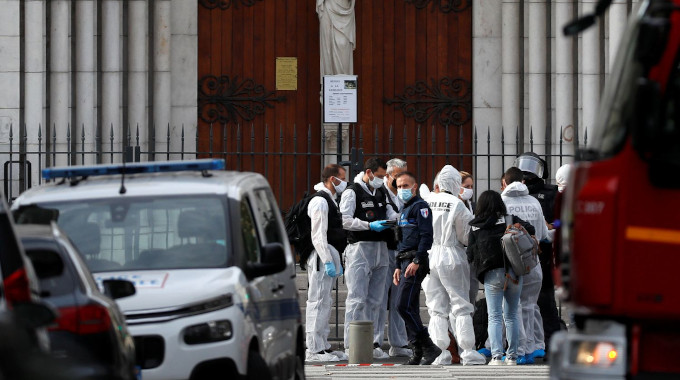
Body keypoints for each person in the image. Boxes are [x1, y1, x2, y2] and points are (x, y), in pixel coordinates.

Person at [422, 165, 486, 366]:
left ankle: (441, 352)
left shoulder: (427, 200)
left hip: (430, 255)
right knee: (460, 305)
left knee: (436, 307)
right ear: (456, 184)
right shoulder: (457, 204)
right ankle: (467, 351)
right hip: (451, 255)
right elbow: (466, 236)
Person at [468, 190, 536, 366]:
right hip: (513, 272)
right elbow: (531, 229)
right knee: (512, 315)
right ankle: (512, 356)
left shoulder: (475, 226)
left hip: (491, 274)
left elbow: (470, 254)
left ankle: (497, 356)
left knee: (495, 316)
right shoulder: (509, 220)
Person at [339, 157, 398, 358]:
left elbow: (392, 214)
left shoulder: (381, 191)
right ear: (369, 172)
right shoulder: (351, 192)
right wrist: (368, 225)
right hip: (360, 248)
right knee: (356, 298)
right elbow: (345, 220)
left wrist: (397, 220)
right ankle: (351, 344)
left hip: (380, 247)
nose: (382, 180)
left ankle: (373, 343)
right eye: (380, 176)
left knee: (376, 299)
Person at [513, 152, 561, 360]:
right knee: (517, 304)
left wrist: (553, 225)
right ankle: (522, 345)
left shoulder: (551, 193)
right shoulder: (513, 194)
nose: (526, 176)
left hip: (541, 252)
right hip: (516, 252)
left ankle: (551, 345)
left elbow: (565, 218)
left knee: (545, 302)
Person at [501, 166, 550, 364]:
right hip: (532, 261)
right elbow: (544, 235)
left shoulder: (502, 202)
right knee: (529, 306)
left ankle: (518, 349)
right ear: (523, 182)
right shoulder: (534, 202)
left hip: (510, 262)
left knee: (513, 308)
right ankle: (531, 347)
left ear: (504, 183)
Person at [392, 171, 441, 365]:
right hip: (404, 261)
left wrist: (418, 261)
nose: (402, 189)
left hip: (415, 262)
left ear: (414, 186)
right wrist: (397, 265)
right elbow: (401, 240)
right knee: (409, 307)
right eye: (399, 186)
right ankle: (417, 350)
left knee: (401, 305)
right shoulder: (405, 209)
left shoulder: (420, 207)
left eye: (406, 186)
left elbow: (426, 235)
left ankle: (428, 346)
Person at [305, 164, 349, 362]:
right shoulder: (320, 202)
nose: (344, 182)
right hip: (321, 257)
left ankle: (323, 346)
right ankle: (313, 349)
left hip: (328, 255)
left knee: (325, 302)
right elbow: (318, 235)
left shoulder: (330, 200)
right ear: (333, 179)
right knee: (317, 301)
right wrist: (327, 260)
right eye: (342, 178)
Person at [375, 158, 412, 357]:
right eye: (397, 175)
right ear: (388, 176)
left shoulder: (403, 194)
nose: (401, 179)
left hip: (401, 249)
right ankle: (376, 341)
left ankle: (398, 343)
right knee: (380, 297)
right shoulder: (381, 193)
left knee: (399, 297)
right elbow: (390, 218)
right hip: (385, 248)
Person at [459, 171, 480, 308]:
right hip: (457, 251)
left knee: (472, 291)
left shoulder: (473, 206)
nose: (470, 190)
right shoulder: (453, 204)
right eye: (467, 186)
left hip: (471, 253)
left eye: (471, 186)